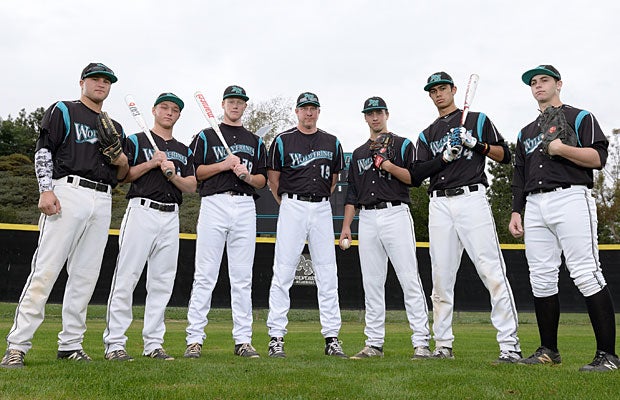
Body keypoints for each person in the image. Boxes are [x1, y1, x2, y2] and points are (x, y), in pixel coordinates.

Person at [1, 63, 129, 369]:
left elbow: (122, 174)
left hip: (103, 197)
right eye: (95, 79)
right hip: (68, 189)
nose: (101, 84)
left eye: (107, 80)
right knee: (45, 270)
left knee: (85, 277)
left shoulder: (115, 126)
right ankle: (17, 345)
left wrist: (120, 158)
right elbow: (44, 150)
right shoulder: (63, 110)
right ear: (82, 82)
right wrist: (45, 189)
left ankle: (71, 344)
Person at [509, 65, 619, 372]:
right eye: (533, 82)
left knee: (585, 272)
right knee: (541, 278)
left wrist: (562, 148)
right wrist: (517, 210)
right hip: (534, 203)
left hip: (570, 196)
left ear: (559, 83)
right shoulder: (526, 132)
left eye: (544, 80)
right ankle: (548, 351)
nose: (538, 85)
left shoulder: (580, 117)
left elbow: (598, 159)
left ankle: (608, 356)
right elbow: (519, 174)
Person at [416, 71, 521, 363]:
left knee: (492, 272)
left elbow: (505, 155)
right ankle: (443, 346)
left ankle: (509, 346)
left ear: (453, 90)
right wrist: (443, 158)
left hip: (472, 198)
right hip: (439, 203)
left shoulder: (478, 120)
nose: (438, 94)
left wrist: (476, 145)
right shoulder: (427, 134)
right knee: (441, 279)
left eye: (442, 88)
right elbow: (417, 173)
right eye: (433, 91)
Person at [342, 97, 453, 360]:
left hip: (395, 213)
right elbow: (352, 195)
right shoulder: (358, 153)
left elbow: (414, 179)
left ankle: (421, 343)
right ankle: (374, 343)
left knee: (409, 279)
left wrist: (388, 165)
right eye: (370, 114)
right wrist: (347, 226)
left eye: (379, 112)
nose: (375, 118)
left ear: (387, 114)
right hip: (367, 218)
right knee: (371, 283)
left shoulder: (403, 144)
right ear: (365, 118)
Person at [103, 92, 196, 362]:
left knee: (162, 283)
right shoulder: (135, 140)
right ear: (154, 110)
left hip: (171, 215)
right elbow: (123, 175)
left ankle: (153, 343)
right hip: (141, 210)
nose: (169, 112)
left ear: (178, 116)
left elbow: (191, 187)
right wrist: (152, 163)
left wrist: (171, 174)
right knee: (126, 278)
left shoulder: (183, 149)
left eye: (174, 110)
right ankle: (115, 344)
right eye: (164, 108)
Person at [184, 85, 267, 359]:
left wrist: (245, 176)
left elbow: (262, 180)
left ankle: (243, 340)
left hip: (244, 204)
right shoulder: (206, 136)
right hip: (214, 203)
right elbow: (195, 172)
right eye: (231, 101)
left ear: (245, 107)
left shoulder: (255, 141)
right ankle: (194, 339)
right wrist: (223, 165)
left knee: (242, 277)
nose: (235, 105)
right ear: (222, 105)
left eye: (240, 102)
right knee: (205, 274)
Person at [265, 92, 347, 358]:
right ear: (297, 112)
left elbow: (334, 180)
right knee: (284, 271)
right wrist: (288, 204)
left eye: (313, 108)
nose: (309, 113)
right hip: (292, 204)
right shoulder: (282, 140)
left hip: (322, 206)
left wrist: (315, 203)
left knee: (327, 272)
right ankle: (276, 336)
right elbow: (273, 180)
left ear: (319, 112)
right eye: (304, 108)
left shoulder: (332, 142)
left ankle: (332, 338)